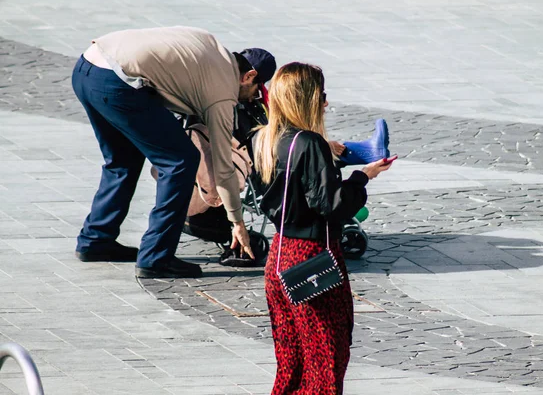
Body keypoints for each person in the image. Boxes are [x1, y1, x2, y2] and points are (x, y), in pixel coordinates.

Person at [71, 26, 276, 278]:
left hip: (86, 67)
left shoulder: (211, 46)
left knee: (122, 160)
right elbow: (223, 169)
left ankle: (96, 240)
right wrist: (237, 223)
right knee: (181, 161)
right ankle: (156, 259)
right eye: (257, 88)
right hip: (117, 84)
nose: (253, 96)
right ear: (249, 76)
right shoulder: (222, 92)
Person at [254, 62, 393, 394]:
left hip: (279, 258)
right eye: (323, 95)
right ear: (308, 98)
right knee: (325, 362)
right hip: (312, 258)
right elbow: (331, 206)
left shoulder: (266, 139)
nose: (326, 103)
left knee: (292, 362)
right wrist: (362, 177)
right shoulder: (310, 143)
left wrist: (324, 153)